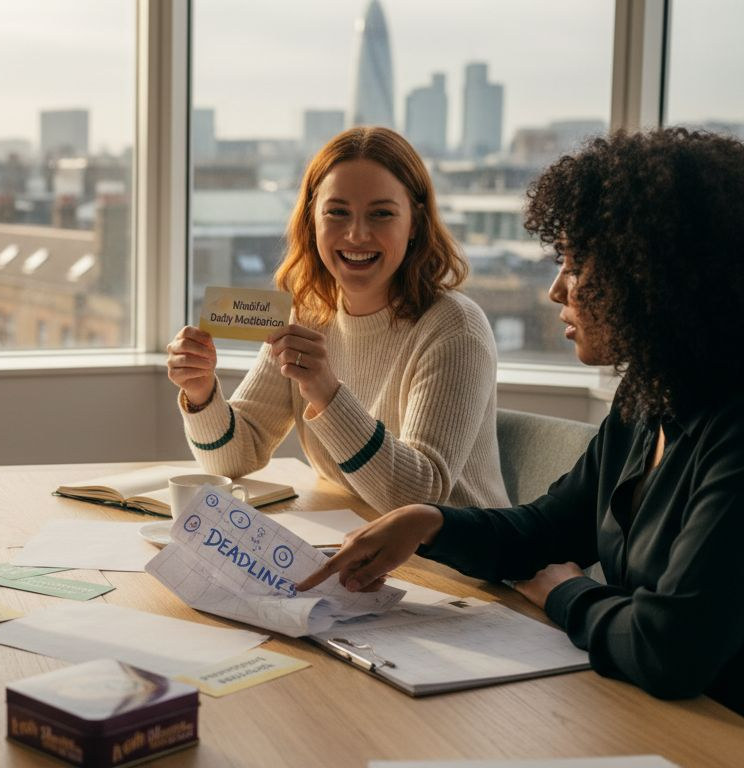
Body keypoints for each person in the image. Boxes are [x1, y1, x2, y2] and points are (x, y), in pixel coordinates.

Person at [298, 128, 744, 713]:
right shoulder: (648, 396)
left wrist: (567, 593)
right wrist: (429, 523)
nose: (557, 288)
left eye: (577, 266)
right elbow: (547, 528)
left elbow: (671, 647)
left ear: (654, 278)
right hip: (642, 709)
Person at [167, 127, 507, 513]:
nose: (357, 234)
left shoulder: (454, 328)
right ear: (312, 221)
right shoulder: (310, 313)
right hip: (354, 539)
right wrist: (201, 394)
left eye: (381, 214)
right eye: (337, 212)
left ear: (415, 223)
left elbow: (418, 503)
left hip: (456, 563)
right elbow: (236, 457)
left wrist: (326, 392)